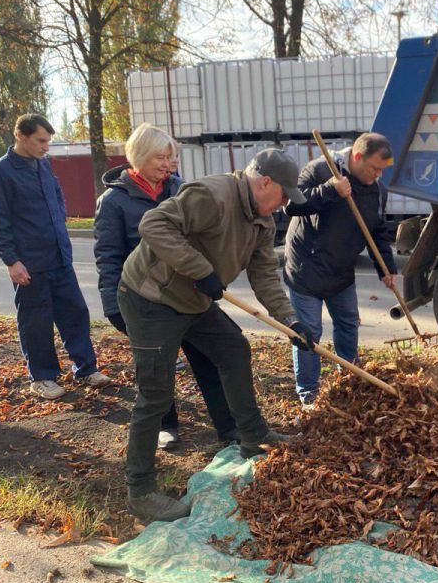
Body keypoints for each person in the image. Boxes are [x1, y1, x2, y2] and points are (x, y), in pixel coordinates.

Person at [118, 148, 317, 522]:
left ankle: (252, 436)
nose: (284, 204)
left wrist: (290, 319)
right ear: (265, 182)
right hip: (151, 298)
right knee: (156, 393)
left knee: (234, 350)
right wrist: (199, 268)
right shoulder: (212, 195)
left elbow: (263, 274)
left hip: (193, 301)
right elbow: (153, 225)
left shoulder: (262, 220)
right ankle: (140, 490)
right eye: (284, 195)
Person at [93, 123, 237, 450]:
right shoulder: (114, 201)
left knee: (209, 360)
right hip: (147, 301)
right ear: (140, 156)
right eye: (160, 157)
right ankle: (166, 425)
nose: (168, 164)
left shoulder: (180, 189)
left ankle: (229, 428)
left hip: (189, 294)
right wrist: (113, 305)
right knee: (158, 369)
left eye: (170, 157)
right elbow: (108, 256)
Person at [0, 113, 111, 400]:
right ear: (21, 136)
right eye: (41, 141)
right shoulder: (1, 172)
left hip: (59, 259)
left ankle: (85, 368)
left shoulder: (42, 165)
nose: (45, 147)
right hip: (30, 264)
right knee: (36, 321)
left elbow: (57, 199)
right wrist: (12, 261)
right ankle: (41, 377)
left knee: (75, 313)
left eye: (48, 142)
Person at [283, 133, 398, 407]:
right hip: (307, 269)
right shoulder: (321, 169)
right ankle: (309, 396)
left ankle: (348, 381)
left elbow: (378, 231)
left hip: (342, 270)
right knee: (308, 334)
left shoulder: (377, 190)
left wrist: (386, 267)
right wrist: (330, 190)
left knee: (348, 324)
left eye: (383, 169)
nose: (378, 174)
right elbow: (292, 205)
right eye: (374, 168)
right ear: (357, 157)